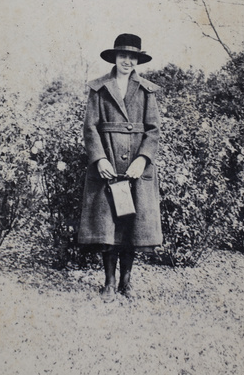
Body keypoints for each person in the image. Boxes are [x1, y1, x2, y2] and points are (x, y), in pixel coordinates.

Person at [78, 33, 162, 302]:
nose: (128, 60)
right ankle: (109, 283)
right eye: (123, 55)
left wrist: (142, 159)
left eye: (133, 56)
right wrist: (99, 159)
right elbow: (90, 128)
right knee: (108, 226)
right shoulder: (99, 88)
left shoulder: (147, 90)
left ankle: (126, 282)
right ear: (114, 57)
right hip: (108, 166)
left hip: (137, 169)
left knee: (131, 227)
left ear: (138, 59)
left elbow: (154, 131)